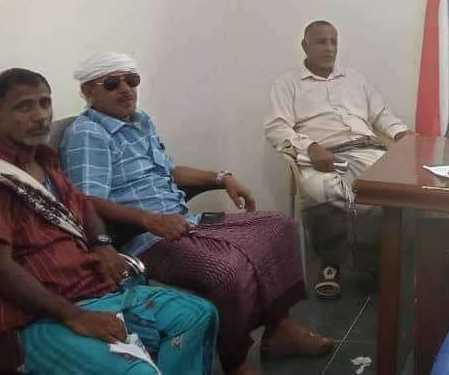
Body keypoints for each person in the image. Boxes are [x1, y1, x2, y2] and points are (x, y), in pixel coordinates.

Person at [59, 52, 332, 375]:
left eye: (131, 80)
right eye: (111, 83)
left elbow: (170, 171)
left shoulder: (140, 121)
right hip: (146, 236)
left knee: (280, 226)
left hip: (183, 221)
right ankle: (236, 360)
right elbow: (87, 200)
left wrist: (222, 177)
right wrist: (149, 220)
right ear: (87, 91)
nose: (125, 89)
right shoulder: (88, 133)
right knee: (227, 270)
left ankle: (279, 329)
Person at [0, 68, 219, 374]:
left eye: (45, 103)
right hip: (33, 317)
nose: (40, 116)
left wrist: (103, 245)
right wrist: (74, 316)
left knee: (197, 315)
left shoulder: (44, 160)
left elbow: (83, 205)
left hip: (90, 290)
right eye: (24, 107)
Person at [264, 20, 412, 299]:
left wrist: (401, 133)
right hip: (323, 154)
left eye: (333, 41)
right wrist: (310, 147)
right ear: (305, 45)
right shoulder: (287, 84)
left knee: (387, 188)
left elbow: (381, 114)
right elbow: (277, 128)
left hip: (366, 148)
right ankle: (330, 264)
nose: (329, 48)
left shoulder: (355, 79)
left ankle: (373, 262)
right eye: (321, 41)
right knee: (321, 190)